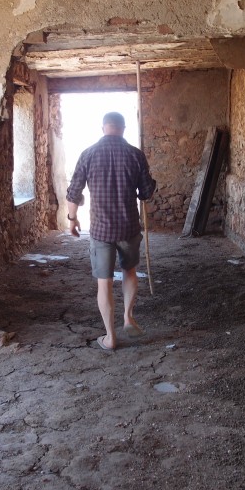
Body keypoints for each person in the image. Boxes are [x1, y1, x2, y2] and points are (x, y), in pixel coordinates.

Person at [66, 111, 156, 351]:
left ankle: (109, 337)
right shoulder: (136, 155)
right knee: (129, 272)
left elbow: (74, 191)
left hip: (101, 229)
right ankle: (128, 317)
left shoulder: (89, 154)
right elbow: (146, 193)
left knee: (104, 282)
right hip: (128, 226)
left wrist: (72, 218)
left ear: (103, 127)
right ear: (123, 128)